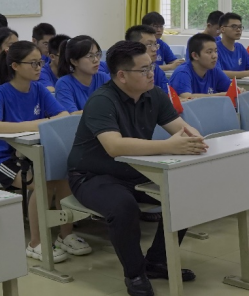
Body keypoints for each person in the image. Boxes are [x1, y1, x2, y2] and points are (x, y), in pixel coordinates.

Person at [68, 40, 208, 296]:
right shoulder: (102, 100)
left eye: (151, 66)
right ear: (122, 75)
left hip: (134, 170)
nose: (151, 73)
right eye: (143, 70)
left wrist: (193, 139)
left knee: (184, 192)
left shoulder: (154, 94)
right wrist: (168, 146)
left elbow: (182, 129)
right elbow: (114, 146)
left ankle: (157, 261)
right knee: (124, 207)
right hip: (93, 175)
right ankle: (135, 274)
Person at [0, 41, 90, 262]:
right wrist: (39, 123)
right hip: (2, 159)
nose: (38, 68)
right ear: (15, 66)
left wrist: (40, 123)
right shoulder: (0, 92)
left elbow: (63, 116)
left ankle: (65, 235)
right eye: (32, 63)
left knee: (63, 177)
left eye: (40, 62)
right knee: (42, 183)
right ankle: (35, 243)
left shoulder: (39, 89)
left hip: (33, 154)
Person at [55, 35, 110, 114]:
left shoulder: (103, 77)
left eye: (97, 54)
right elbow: (72, 116)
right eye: (90, 56)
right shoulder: (63, 84)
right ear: (74, 61)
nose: (96, 60)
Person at [169, 33, 234, 99]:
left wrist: (237, 90)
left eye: (215, 51)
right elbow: (187, 97)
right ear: (195, 55)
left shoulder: (214, 70)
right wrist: (219, 95)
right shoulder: (182, 73)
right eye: (209, 52)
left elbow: (232, 89)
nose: (215, 56)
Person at [216, 12, 249, 78]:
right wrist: (247, 73)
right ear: (223, 29)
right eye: (234, 26)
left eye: (240, 27)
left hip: (242, 84)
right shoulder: (214, 49)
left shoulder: (240, 48)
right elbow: (217, 73)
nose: (238, 30)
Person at [125, 25, 168, 92]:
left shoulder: (156, 70)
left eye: (155, 44)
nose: (154, 49)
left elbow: (167, 94)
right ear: (133, 47)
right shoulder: (124, 70)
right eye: (149, 44)